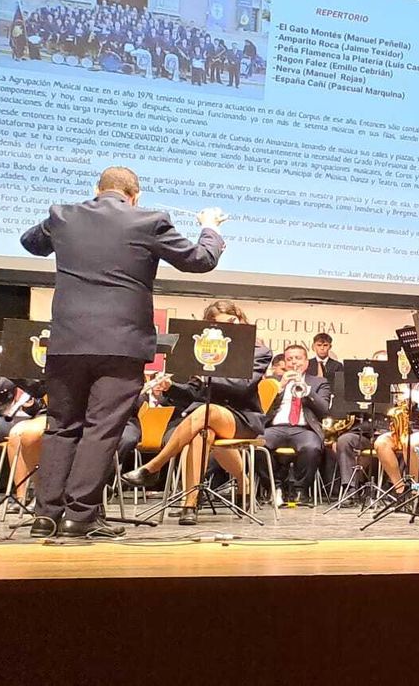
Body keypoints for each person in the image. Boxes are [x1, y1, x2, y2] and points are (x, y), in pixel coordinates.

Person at [19, 166, 225, 538]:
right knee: (101, 429)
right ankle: (79, 516)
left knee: (60, 427)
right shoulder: (149, 221)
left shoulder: (63, 215)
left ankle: (45, 516)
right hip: (121, 345)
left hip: (67, 343)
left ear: (97, 189)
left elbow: (30, 243)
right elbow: (200, 260)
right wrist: (210, 227)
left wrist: (59, 223)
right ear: (135, 195)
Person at [121, 300, 271, 525]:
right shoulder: (204, 350)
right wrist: (170, 387)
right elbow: (193, 392)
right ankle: (190, 505)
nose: (232, 326)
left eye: (234, 320)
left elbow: (243, 386)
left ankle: (154, 466)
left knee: (204, 413)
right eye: (224, 324)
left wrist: (206, 377)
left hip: (242, 417)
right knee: (203, 433)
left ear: (242, 319)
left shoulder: (259, 351)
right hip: (206, 417)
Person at [262, 344, 333, 506]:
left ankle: (301, 490)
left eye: (298, 358)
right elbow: (262, 408)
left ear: (306, 362)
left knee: (312, 447)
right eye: (289, 359)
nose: (294, 362)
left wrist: (307, 390)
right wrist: (280, 387)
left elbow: (324, 410)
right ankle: (275, 487)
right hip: (276, 427)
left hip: (304, 429)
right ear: (285, 363)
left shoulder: (319, 382)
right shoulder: (274, 381)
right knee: (259, 444)